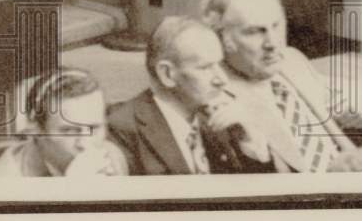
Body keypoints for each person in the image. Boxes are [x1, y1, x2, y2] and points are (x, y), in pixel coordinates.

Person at [201, 0, 362, 173]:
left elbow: (348, 99)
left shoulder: (290, 61)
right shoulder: (218, 98)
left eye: (276, 25)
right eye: (254, 32)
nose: (273, 43)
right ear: (221, 38)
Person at [106, 16, 275, 175]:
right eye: (205, 67)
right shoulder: (121, 130)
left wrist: (251, 141)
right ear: (167, 74)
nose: (222, 80)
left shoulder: (220, 116)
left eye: (220, 65)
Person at [0, 68, 129, 177]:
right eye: (69, 131)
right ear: (36, 130)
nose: (85, 144)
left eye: (94, 128)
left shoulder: (113, 156)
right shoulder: (1, 187)